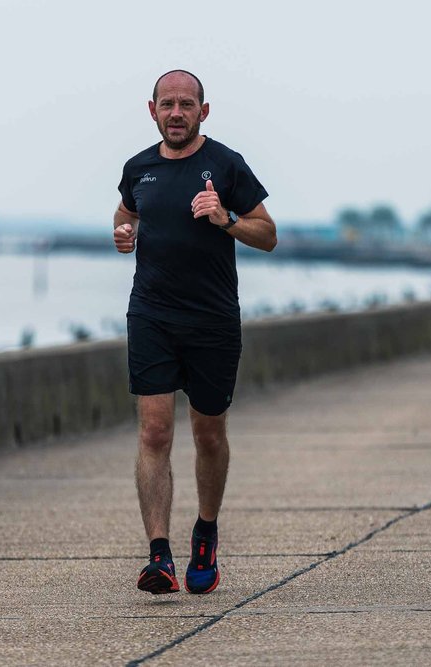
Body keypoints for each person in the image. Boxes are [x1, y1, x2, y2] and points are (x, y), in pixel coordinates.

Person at [114, 70, 276, 595]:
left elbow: (268, 234)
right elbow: (126, 214)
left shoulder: (226, 165)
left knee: (208, 433)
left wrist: (225, 217)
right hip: (151, 316)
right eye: (168, 104)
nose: (176, 112)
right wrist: (123, 233)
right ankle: (159, 555)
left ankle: (205, 531)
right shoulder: (138, 168)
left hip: (212, 321)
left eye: (187, 104)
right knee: (155, 432)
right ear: (152, 109)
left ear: (203, 111)